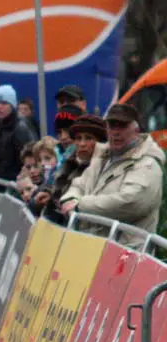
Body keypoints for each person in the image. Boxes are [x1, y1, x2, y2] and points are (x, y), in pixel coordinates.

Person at [59, 103, 165, 247]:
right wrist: (70, 199)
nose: (115, 132)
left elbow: (131, 202)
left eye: (122, 126)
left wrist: (80, 205)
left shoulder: (147, 164)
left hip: (126, 258)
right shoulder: (103, 156)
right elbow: (78, 184)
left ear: (136, 129)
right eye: (111, 126)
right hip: (92, 248)